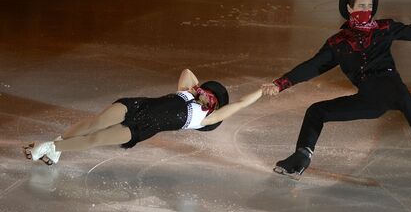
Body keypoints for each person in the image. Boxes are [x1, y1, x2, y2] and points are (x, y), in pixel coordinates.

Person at [263, 0, 411, 181]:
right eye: (361, 6)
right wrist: (280, 84)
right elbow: (312, 66)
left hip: (389, 85)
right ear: (349, 9)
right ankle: (300, 158)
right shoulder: (338, 42)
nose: (366, 11)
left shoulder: (383, 28)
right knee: (316, 111)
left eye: (369, 6)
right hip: (369, 99)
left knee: (408, 104)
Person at [25, 69, 267, 165]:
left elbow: (242, 104)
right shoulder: (187, 91)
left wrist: (262, 90)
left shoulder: (205, 120)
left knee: (95, 139)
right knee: (95, 122)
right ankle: (55, 147)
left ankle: (51, 146)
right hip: (137, 106)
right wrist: (197, 91)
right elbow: (187, 72)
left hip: (145, 127)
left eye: (215, 97)